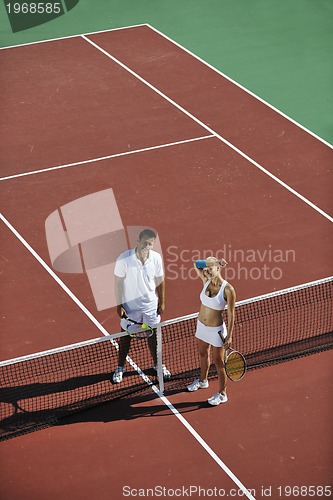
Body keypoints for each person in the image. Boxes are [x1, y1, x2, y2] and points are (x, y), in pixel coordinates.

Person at [112, 229, 170, 383]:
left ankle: (158, 365)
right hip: (131, 308)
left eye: (150, 244)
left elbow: (160, 280)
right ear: (138, 240)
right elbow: (118, 283)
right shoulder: (124, 259)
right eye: (145, 242)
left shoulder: (156, 258)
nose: (147, 246)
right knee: (125, 337)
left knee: (154, 337)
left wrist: (162, 301)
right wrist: (119, 306)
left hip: (151, 306)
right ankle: (120, 367)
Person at [187, 256, 236, 405]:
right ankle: (203, 381)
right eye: (207, 268)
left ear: (218, 268)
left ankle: (222, 394)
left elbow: (231, 313)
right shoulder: (205, 280)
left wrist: (230, 337)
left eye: (211, 268)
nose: (207, 270)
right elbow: (196, 263)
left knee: (219, 362)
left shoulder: (228, 289)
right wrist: (213, 263)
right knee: (203, 354)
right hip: (201, 327)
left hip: (216, 331)